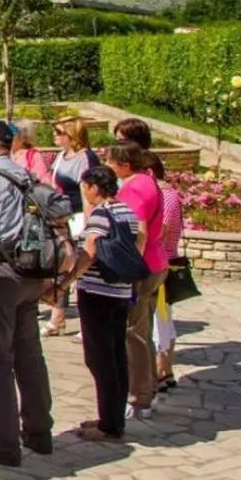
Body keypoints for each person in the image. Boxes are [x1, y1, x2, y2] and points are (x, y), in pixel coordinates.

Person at [0, 119, 55, 467]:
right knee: (29, 354)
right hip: (32, 273)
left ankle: (4, 441)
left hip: (3, 276)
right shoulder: (25, 175)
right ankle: (39, 431)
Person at [51, 165, 140, 443]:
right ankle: (111, 417)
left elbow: (90, 251)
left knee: (100, 358)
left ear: (93, 187)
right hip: (121, 291)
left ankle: (109, 425)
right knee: (116, 356)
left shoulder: (101, 214)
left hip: (98, 293)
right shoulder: (127, 212)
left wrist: (64, 284)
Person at [107, 140, 167, 421]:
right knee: (143, 328)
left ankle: (139, 396)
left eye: (110, 162)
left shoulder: (134, 188)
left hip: (142, 269)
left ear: (124, 165)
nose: (107, 166)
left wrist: (129, 267)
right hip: (157, 263)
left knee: (134, 333)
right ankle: (149, 389)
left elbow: (139, 230)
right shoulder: (148, 180)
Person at [45, 117, 100, 337]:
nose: (55, 135)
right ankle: (57, 316)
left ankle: (87, 322)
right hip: (61, 217)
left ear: (72, 135)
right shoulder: (61, 157)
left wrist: (89, 224)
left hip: (77, 216)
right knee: (61, 265)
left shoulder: (85, 159)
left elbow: (88, 193)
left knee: (80, 268)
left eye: (59, 132)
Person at [10, 120, 54, 185]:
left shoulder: (34, 156)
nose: (8, 137)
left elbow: (44, 183)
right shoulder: (6, 154)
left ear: (23, 138)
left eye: (12, 135)